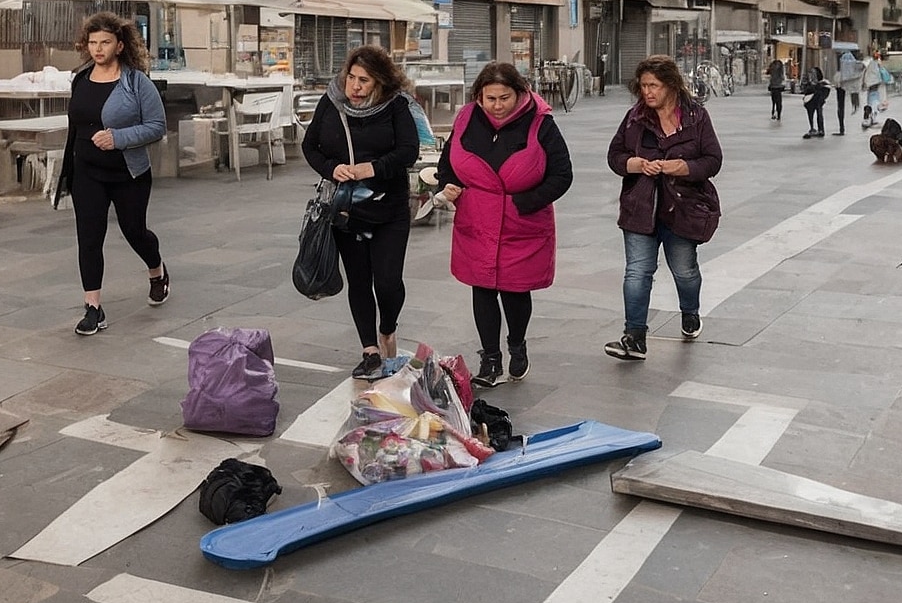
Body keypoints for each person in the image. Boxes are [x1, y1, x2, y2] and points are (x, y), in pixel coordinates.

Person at [435, 62, 573, 387]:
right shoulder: (467, 119)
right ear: (479, 96)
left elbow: (562, 175)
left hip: (522, 223)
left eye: (504, 98)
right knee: (482, 288)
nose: (497, 106)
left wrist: (524, 203)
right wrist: (449, 185)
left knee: (515, 290)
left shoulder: (541, 123)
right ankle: (490, 358)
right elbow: (447, 163)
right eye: (490, 99)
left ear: (520, 93)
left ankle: (517, 345)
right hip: (477, 219)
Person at [302, 45, 420, 380]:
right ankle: (369, 350)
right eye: (351, 77)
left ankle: (388, 328)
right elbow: (310, 146)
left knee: (388, 282)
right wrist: (331, 168)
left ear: (379, 82)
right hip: (346, 209)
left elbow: (409, 151)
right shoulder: (332, 101)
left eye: (364, 80)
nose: (354, 86)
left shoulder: (396, 105)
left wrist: (373, 168)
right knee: (359, 280)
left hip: (389, 208)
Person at [54, 11, 169, 337]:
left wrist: (118, 138)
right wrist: (68, 172)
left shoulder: (136, 82)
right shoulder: (80, 79)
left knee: (135, 231)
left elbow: (157, 126)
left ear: (119, 45)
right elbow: (75, 129)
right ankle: (93, 307)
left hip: (127, 173)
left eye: (105, 42)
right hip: (87, 173)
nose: (98, 49)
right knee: (89, 238)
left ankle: (157, 271)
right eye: (93, 42)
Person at [604, 55, 723, 362]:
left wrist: (683, 167)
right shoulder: (634, 118)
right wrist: (635, 164)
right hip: (640, 207)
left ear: (671, 85)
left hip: (682, 208)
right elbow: (615, 155)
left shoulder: (696, 117)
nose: (647, 92)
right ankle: (634, 337)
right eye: (643, 86)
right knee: (637, 272)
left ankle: (690, 312)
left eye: (654, 85)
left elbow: (713, 160)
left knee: (685, 271)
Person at [834, 49, 861, 135]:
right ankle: (841, 127)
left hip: (840, 84)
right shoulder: (853, 61)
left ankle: (841, 127)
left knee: (840, 106)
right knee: (841, 106)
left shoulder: (842, 61)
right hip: (846, 83)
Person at [801, 66, 830, 139]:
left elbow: (826, 91)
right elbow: (805, 91)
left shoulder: (822, 83)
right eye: (811, 73)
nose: (812, 75)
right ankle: (812, 128)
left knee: (819, 114)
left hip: (818, 101)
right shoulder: (809, 83)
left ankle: (821, 129)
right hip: (810, 102)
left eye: (814, 73)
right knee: (811, 114)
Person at [860, 49, 886, 128]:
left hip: (872, 84)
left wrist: (864, 83)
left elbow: (864, 72)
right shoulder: (875, 63)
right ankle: (871, 118)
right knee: (873, 102)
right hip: (874, 84)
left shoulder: (871, 62)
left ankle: (871, 118)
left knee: (872, 101)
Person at [766, 57, 786, 121]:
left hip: (773, 86)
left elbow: (767, 72)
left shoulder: (772, 66)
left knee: (774, 101)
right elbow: (782, 77)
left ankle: (774, 113)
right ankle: (778, 114)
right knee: (778, 102)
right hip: (778, 87)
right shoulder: (780, 68)